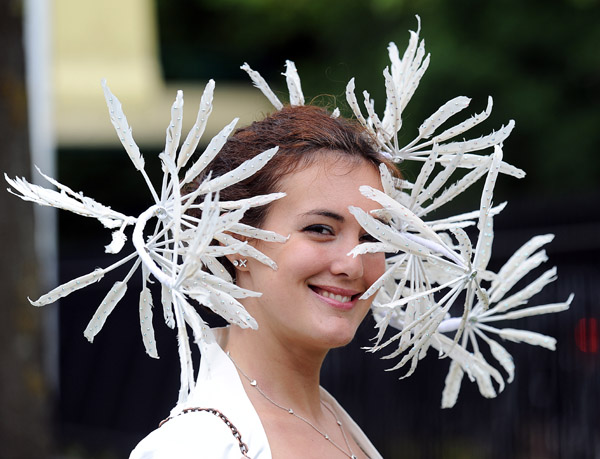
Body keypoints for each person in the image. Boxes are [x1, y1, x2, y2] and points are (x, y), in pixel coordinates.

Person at [130, 105, 398, 458]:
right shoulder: (194, 446)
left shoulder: (338, 425)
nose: (354, 265)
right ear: (234, 240)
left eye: (372, 237)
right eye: (320, 229)